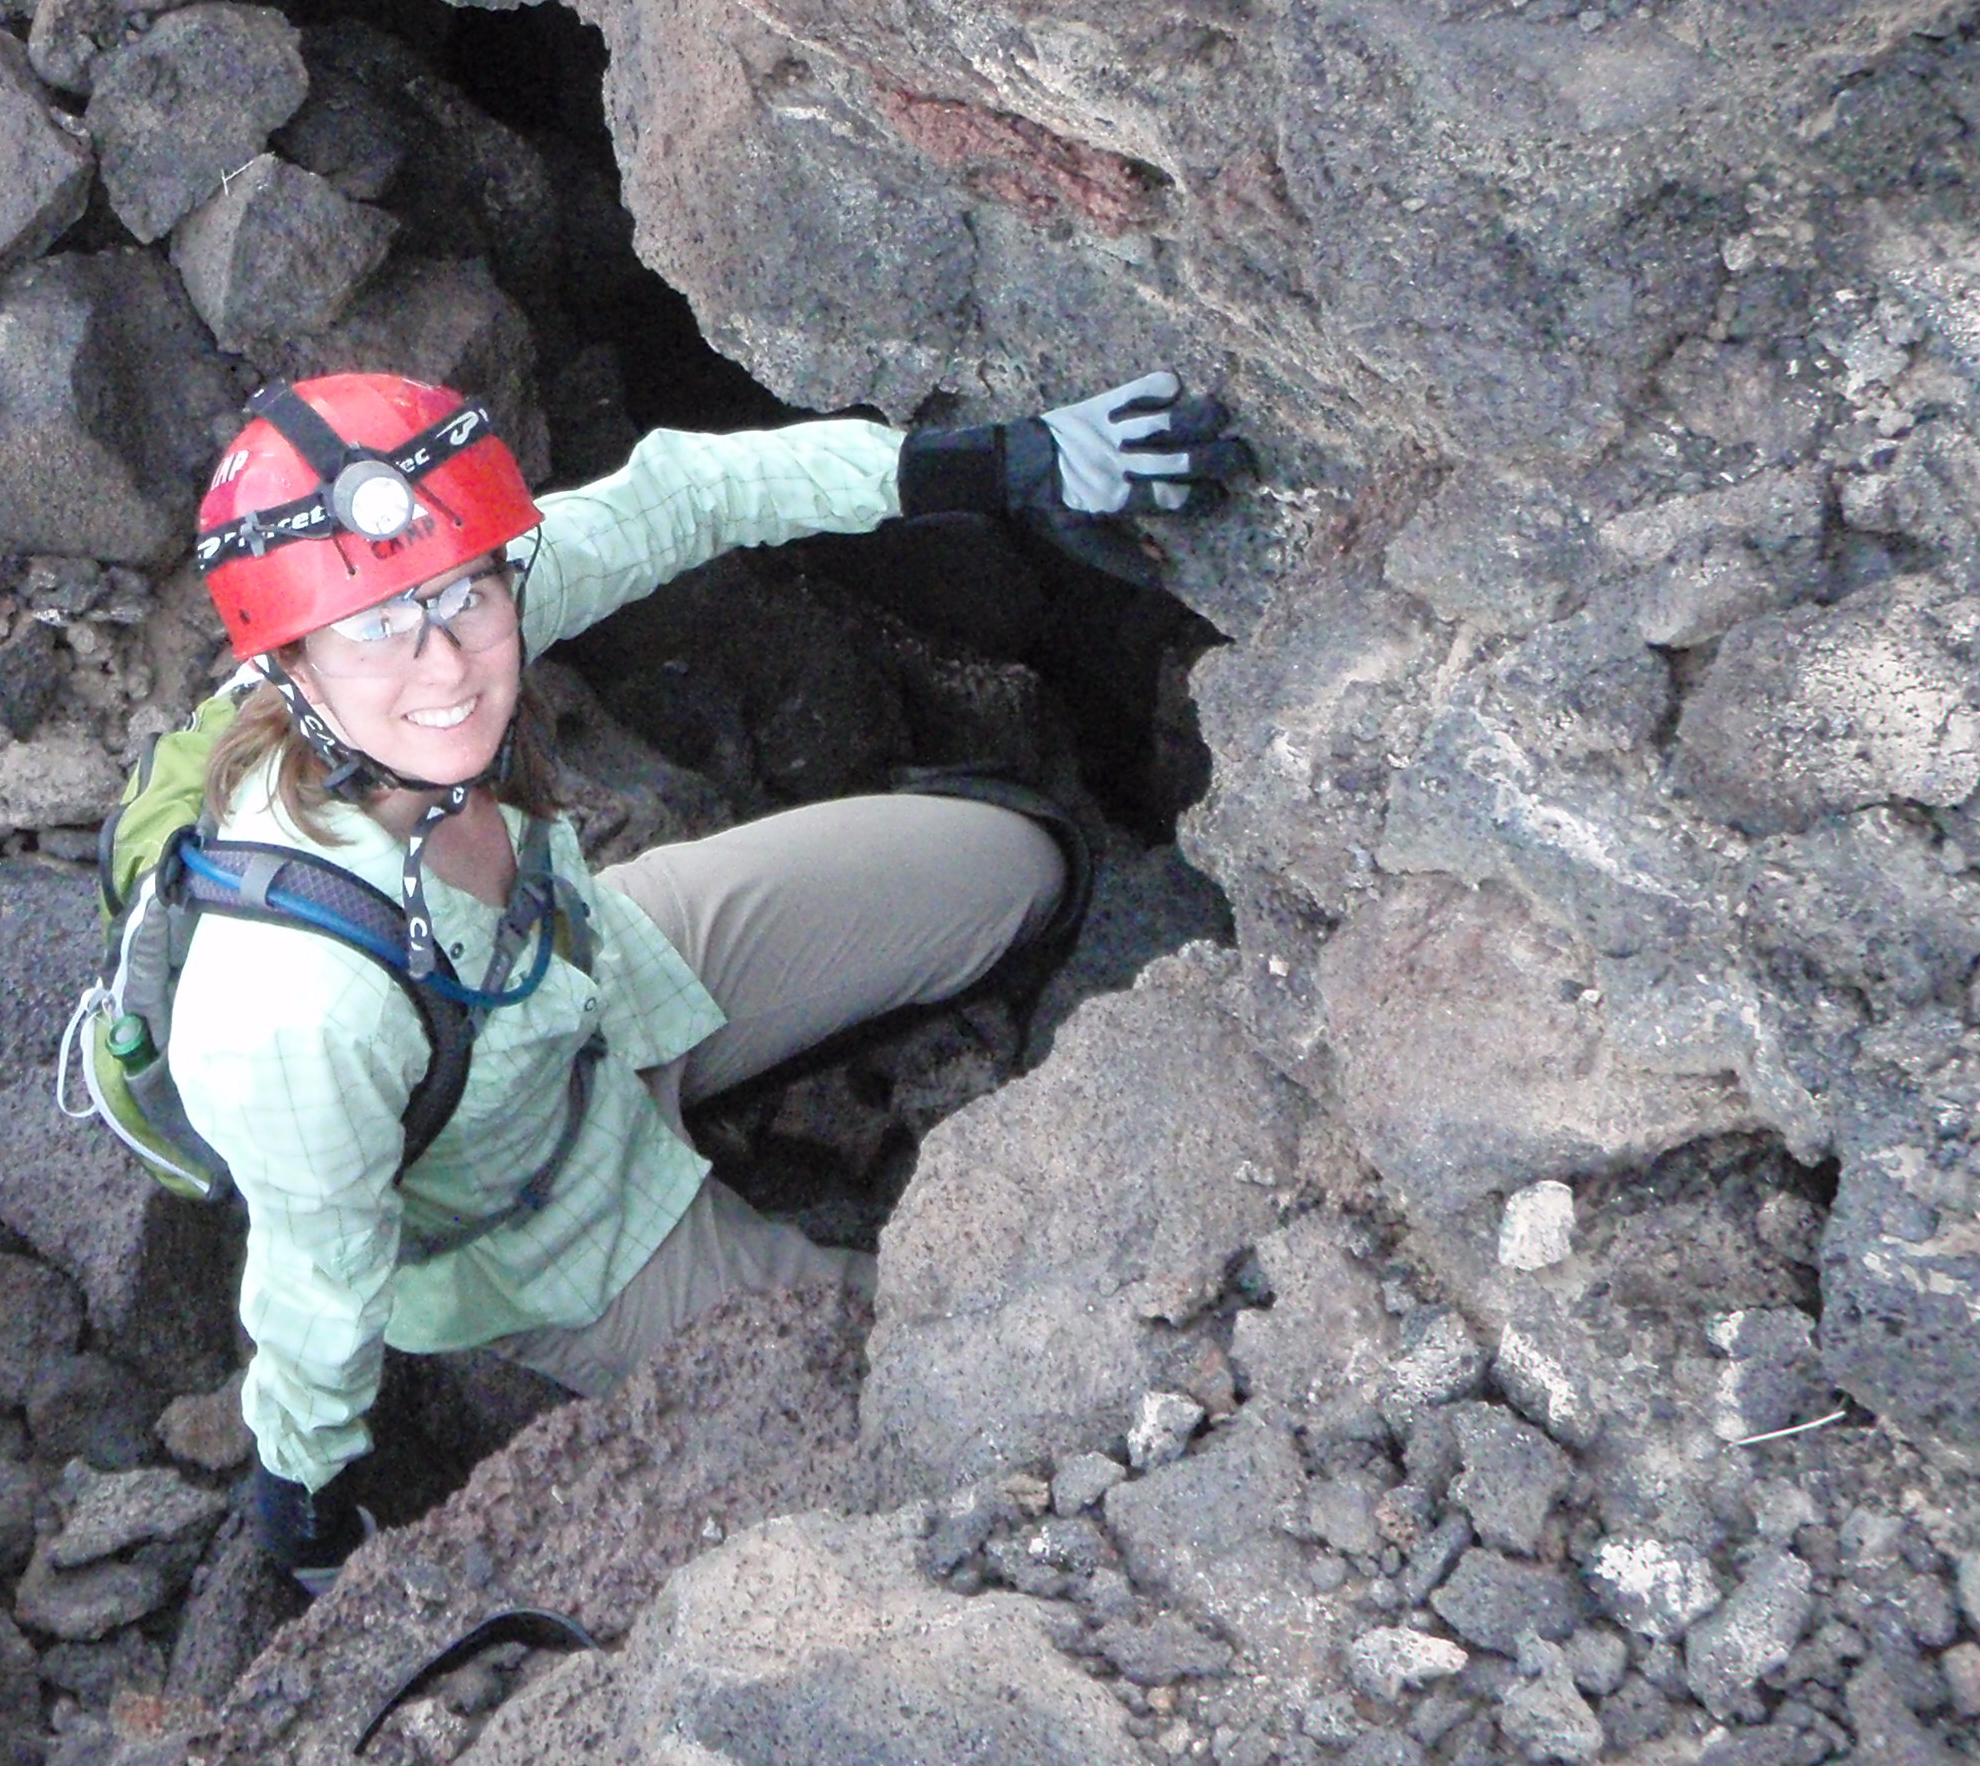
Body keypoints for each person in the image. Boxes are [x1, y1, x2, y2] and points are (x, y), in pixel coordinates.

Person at [165, 371, 1250, 1590]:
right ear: (288, 662)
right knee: (941, 1382)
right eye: (373, 628)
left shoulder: (464, 617)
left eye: (461, 592)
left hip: (605, 981)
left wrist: (1005, 460)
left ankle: (799, 1089)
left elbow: (689, 497)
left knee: (1022, 860)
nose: (445, 664)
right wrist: (303, 1508)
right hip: (546, 1228)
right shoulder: (287, 1007)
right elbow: (318, 1289)